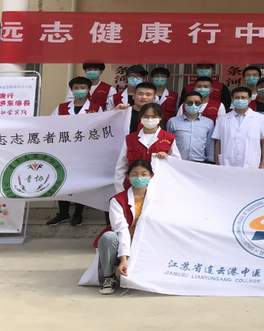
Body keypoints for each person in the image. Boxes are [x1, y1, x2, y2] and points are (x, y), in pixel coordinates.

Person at [94, 159, 153, 295]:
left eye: (144, 174)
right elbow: (121, 229)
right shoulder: (118, 200)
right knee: (108, 237)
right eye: (135, 174)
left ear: (151, 176)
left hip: (147, 247)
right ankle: (109, 277)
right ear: (127, 176)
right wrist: (124, 258)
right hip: (125, 245)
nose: (139, 178)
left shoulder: (157, 199)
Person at [49, 76, 102, 226]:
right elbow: (51, 125)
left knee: (81, 183)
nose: (79, 90)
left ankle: (78, 213)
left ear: (89, 89)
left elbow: (100, 128)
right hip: (65, 151)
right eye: (76, 88)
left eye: (83, 88)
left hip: (86, 152)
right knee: (63, 181)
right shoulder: (61, 108)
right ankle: (63, 213)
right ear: (71, 90)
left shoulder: (96, 108)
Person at [113, 103, 178, 192]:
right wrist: (120, 189)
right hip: (134, 185)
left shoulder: (169, 138)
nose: (150, 119)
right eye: (146, 117)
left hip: (160, 185)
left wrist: (167, 157)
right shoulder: (130, 138)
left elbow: (177, 162)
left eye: (154, 117)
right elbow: (121, 166)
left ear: (160, 117)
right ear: (140, 117)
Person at [213, 86, 264, 168]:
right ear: (232, 99)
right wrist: (217, 163)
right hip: (227, 163)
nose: (240, 100)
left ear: (249, 99)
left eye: (243, 97)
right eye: (237, 98)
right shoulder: (222, 119)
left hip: (251, 164)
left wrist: (263, 164)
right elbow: (218, 142)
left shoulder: (260, 118)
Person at [167, 91, 215, 163]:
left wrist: (210, 161)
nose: (193, 105)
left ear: (201, 104)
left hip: (200, 162)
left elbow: (210, 145)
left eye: (197, 103)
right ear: (184, 104)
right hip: (178, 161)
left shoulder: (209, 123)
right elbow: (168, 143)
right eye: (190, 103)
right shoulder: (172, 122)